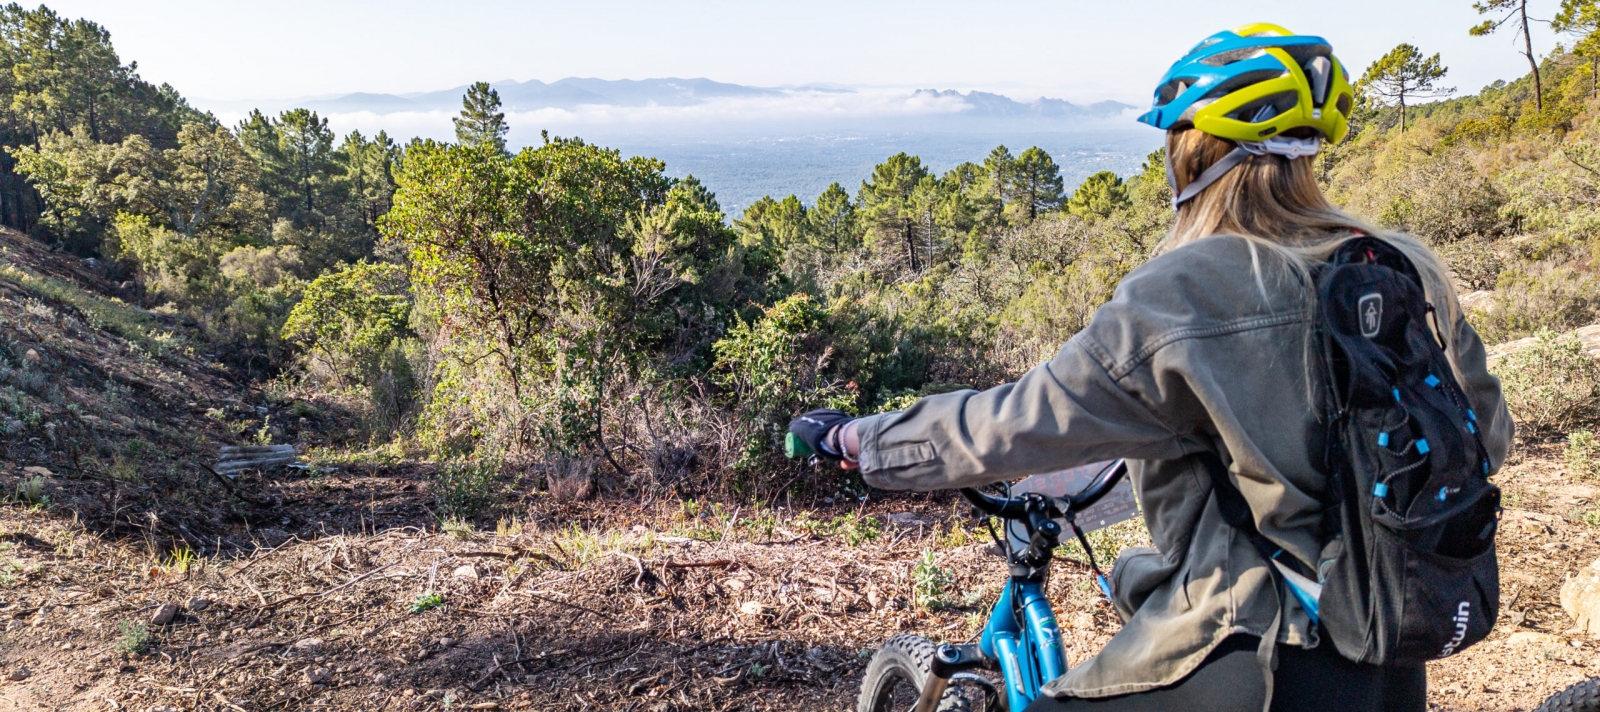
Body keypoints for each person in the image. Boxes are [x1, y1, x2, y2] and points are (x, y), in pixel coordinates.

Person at [792, 24, 1513, 712]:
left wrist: (864, 440)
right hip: (1388, 646)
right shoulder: (1402, 264)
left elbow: (1012, 423)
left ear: (1193, 152)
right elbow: (1488, 435)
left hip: (1248, 655)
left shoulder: (1187, 291)